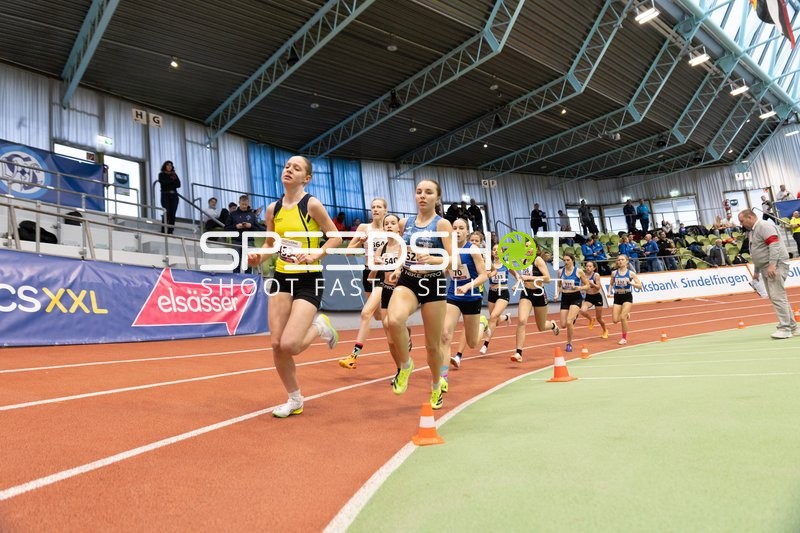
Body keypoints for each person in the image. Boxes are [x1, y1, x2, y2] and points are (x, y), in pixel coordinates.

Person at [247, 155, 342, 417]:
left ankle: (321, 327)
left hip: (308, 278)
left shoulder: (311, 205)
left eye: (296, 168)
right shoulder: (272, 209)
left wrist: (316, 254)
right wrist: (259, 256)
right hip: (282, 277)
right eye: (287, 166)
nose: (289, 169)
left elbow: (335, 237)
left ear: (306, 178)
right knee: (277, 344)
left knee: (290, 345)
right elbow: (270, 245)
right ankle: (295, 399)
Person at [385, 179, 455, 410]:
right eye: (418, 192)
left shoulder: (442, 224)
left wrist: (433, 259)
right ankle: (405, 365)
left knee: (433, 347)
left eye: (428, 192)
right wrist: (396, 269)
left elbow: (452, 260)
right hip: (408, 280)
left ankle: (436, 387)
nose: (422, 196)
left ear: (437, 197)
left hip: (433, 284)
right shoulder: (405, 223)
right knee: (393, 320)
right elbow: (403, 252)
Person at [338, 199, 388, 369]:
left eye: (379, 207)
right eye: (373, 207)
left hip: (384, 273)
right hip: (367, 273)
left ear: (385, 210)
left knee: (366, 314)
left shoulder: (390, 229)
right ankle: (404, 332)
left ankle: (353, 356)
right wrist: (360, 241)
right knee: (379, 316)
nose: (375, 209)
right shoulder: (363, 228)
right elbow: (348, 252)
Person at [439, 218, 489, 383]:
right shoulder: (448, 250)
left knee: (473, 342)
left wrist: (468, 285)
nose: (458, 231)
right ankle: (443, 376)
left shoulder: (472, 249)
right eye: (455, 228)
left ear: (467, 232)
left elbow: (484, 275)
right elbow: (449, 271)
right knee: (445, 335)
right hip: (453, 295)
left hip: (472, 296)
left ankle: (483, 323)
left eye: (461, 228)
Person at [737, 209, 798, 339]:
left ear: (750, 217)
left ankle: (785, 328)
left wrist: (772, 264)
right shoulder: (753, 231)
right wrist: (756, 272)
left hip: (775, 266)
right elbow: (757, 252)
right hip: (765, 267)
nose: (742, 224)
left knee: (777, 296)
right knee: (777, 297)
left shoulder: (764, 226)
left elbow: (774, 245)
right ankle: (793, 327)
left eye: (742, 221)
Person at [510, 248, 560, 362]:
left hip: (539, 293)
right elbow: (513, 269)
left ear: (535, 248)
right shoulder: (523, 260)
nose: (527, 248)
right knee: (522, 321)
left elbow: (547, 278)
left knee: (541, 327)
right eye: (525, 246)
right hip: (526, 293)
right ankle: (518, 352)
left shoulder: (538, 260)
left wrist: (529, 278)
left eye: (530, 246)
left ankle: (552, 325)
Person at [474, 243, 515, 356]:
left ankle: (485, 344)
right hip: (492, 293)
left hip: (503, 293)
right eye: (494, 250)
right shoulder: (489, 265)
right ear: (492, 252)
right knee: (495, 320)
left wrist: (516, 284)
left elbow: (518, 276)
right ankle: (506, 317)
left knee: (492, 317)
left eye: (498, 250)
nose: (496, 251)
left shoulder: (506, 264)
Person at [556, 252, 590, 353]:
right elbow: (559, 285)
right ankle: (573, 316)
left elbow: (587, 285)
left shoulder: (578, 271)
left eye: (568, 260)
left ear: (573, 260)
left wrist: (579, 287)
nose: (566, 262)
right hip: (565, 297)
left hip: (576, 298)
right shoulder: (560, 272)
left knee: (569, 322)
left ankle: (569, 343)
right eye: (564, 260)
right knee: (563, 324)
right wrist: (557, 294)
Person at [607, 254, 643, 345]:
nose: (620, 261)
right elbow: (611, 283)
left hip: (627, 295)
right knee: (615, 320)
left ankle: (624, 338)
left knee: (622, 317)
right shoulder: (614, 273)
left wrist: (631, 283)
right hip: (617, 296)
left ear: (626, 261)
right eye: (618, 260)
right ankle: (626, 315)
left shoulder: (631, 273)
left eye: (622, 260)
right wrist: (609, 291)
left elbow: (639, 286)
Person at [226, 194, 262, 273]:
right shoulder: (233, 214)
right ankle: (236, 281)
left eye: (246, 204)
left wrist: (250, 226)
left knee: (248, 264)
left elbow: (259, 229)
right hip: (236, 241)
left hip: (249, 241)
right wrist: (236, 226)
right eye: (243, 204)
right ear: (239, 203)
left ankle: (247, 282)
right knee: (236, 264)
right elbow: (226, 228)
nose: (244, 206)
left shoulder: (252, 215)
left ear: (248, 204)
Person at [578, 260, 609, 339]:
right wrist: (582, 289)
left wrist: (592, 283)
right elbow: (583, 286)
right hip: (589, 297)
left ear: (594, 268)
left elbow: (598, 287)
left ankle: (605, 330)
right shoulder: (583, 275)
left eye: (590, 266)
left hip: (597, 297)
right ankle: (591, 319)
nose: (588, 268)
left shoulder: (596, 275)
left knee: (599, 318)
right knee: (582, 310)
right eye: (587, 266)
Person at [158, 161, 181, 234]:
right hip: (165, 195)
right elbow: (163, 183)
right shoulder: (161, 174)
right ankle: (163, 229)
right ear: (165, 166)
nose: (169, 166)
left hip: (174, 195)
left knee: (173, 213)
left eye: (171, 165)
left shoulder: (174, 175)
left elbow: (178, 184)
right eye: (168, 165)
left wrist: (170, 182)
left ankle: (170, 231)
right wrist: (171, 181)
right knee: (167, 212)